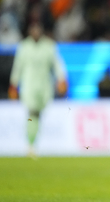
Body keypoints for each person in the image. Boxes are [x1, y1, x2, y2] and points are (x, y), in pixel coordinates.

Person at [9, 22, 67, 157]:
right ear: (30, 31)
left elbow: (57, 63)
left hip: (44, 86)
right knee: (32, 113)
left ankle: (32, 142)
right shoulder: (24, 46)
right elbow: (18, 66)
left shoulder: (49, 46)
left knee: (37, 115)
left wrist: (61, 79)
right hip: (28, 86)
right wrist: (14, 84)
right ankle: (30, 143)